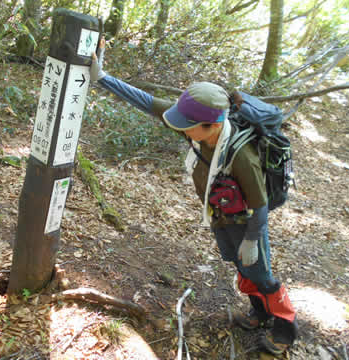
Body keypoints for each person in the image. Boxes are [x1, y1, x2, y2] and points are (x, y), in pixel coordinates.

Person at [90, 38, 298, 355]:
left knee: (262, 274)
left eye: (187, 126)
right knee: (241, 269)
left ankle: (285, 329)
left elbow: (260, 205)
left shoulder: (241, 155)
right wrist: (102, 77)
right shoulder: (197, 127)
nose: (180, 129)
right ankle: (259, 313)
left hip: (247, 223)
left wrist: (253, 240)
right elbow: (147, 102)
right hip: (220, 214)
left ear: (211, 125)